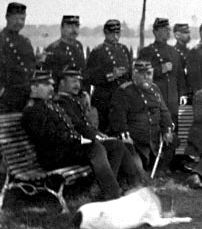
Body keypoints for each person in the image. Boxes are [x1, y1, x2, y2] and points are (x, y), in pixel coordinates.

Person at [22, 69, 140, 201]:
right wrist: (81, 140)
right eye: (46, 85)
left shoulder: (49, 105)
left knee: (115, 145)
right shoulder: (33, 110)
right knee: (95, 148)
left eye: (51, 84)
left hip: (66, 150)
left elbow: (67, 131)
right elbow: (49, 139)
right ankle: (112, 194)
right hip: (52, 156)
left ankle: (134, 185)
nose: (51, 88)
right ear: (33, 88)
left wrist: (81, 140)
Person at [55, 66, 147, 189]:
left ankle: (133, 183)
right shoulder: (61, 102)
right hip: (77, 145)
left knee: (125, 145)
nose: (77, 85)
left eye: (78, 81)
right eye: (73, 81)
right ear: (62, 83)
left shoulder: (73, 100)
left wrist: (99, 134)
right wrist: (97, 137)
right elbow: (78, 126)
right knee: (116, 146)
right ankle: (111, 187)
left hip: (86, 141)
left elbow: (86, 124)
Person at [109, 60, 175, 172]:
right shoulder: (124, 91)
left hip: (154, 139)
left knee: (173, 141)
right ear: (134, 74)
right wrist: (124, 135)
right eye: (142, 74)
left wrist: (167, 130)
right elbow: (118, 118)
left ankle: (160, 171)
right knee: (137, 172)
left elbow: (164, 111)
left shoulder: (155, 89)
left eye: (149, 74)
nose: (146, 77)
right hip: (135, 142)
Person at [139, 18, 186, 152]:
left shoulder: (174, 52)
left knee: (172, 130)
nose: (168, 32)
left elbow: (180, 77)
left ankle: (171, 160)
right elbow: (142, 75)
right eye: (164, 30)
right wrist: (161, 69)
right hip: (157, 98)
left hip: (172, 99)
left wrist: (182, 94)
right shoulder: (147, 51)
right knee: (157, 131)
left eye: (168, 30)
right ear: (155, 32)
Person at [85, 19, 132, 132]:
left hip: (122, 99)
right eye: (112, 33)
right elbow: (90, 77)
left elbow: (130, 73)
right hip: (104, 100)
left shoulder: (124, 50)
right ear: (105, 33)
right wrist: (111, 75)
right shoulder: (97, 52)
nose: (115, 37)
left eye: (118, 33)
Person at [0, 2, 37, 113]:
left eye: (22, 19)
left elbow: (31, 68)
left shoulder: (25, 42)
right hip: (7, 98)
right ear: (7, 17)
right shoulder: (1, 40)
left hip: (26, 96)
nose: (19, 23)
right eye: (16, 19)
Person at [44, 15, 86, 86]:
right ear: (62, 28)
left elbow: (83, 71)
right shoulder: (53, 48)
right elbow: (51, 76)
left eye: (76, 26)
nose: (74, 30)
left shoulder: (78, 46)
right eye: (70, 27)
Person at [172, 23, 191, 99]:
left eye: (189, 32)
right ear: (177, 35)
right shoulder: (173, 53)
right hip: (180, 92)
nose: (188, 35)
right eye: (185, 32)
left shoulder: (189, 52)